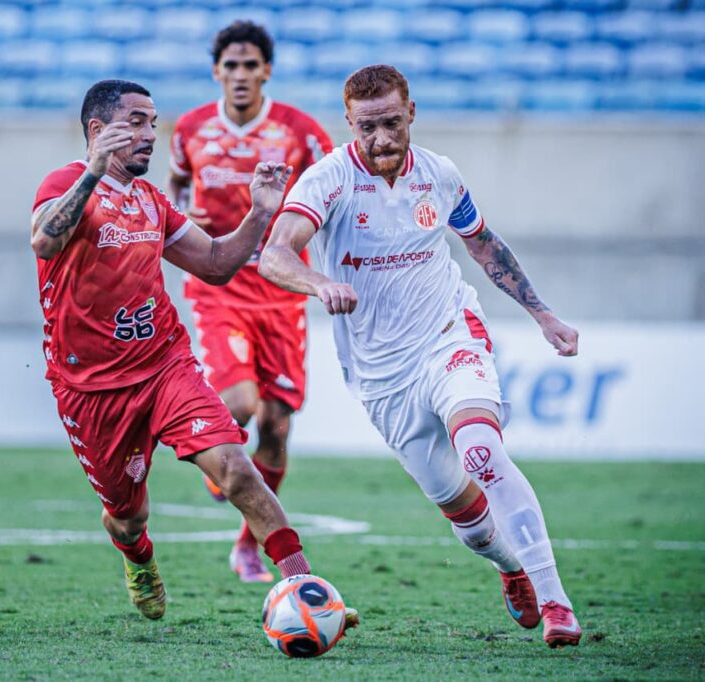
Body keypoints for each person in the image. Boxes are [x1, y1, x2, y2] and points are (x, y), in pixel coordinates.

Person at [259, 65, 581, 648]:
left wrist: (543, 314)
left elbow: (484, 245)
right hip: (382, 377)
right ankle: (511, 568)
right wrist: (316, 282)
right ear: (349, 123)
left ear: (411, 113)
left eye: (389, 123)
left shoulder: (439, 173)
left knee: (481, 450)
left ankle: (557, 602)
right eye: (366, 128)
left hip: (448, 336)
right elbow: (275, 255)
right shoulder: (327, 181)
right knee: (469, 520)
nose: (380, 139)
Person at [31, 79, 355, 627]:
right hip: (91, 390)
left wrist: (259, 214)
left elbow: (215, 265)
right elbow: (44, 240)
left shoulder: (152, 202)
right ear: (97, 130)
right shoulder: (64, 183)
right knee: (127, 519)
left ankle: (304, 586)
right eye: (136, 122)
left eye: (153, 123)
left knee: (235, 468)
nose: (150, 135)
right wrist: (91, 171)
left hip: (165, 367)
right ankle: (139, 560)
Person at [167, 21, 333, 583]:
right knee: (239, 403)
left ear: (266, 70)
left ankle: (247, 545)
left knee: (278, 427)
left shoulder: (301, 132)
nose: (240, 75)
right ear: (217, 71)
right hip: (221, 289)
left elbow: (330, 193)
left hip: (282, 293)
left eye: (250, 65)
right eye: (230, 65)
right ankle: (223, 466)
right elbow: (178, 189)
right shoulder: (189, 128)